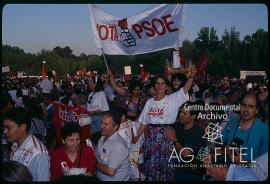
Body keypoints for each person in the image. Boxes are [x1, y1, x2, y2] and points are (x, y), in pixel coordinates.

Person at [134, 65, 197, 181]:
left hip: (166, 136)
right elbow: (144, 121)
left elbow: (185, 89)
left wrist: (192, 76)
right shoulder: (149, 102)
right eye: (157, 83)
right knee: (151, 165)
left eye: (163, 83)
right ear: (154, 86)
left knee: (165, 166)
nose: (160, 86)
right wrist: (137, 136)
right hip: (151, 138)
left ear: (167, 86)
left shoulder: (172, 99)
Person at [3, 107, 50, 181]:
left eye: (8, 128)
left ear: (22, 127)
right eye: (4, 127)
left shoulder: (38, 154)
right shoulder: (15, 142)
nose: (5, 131)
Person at [164, 101, 206, 181]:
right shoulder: (178, 125)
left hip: (192, 173)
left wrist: (174, 140)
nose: (180, 115)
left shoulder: (198, 131)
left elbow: (186, 154)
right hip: (178, 169)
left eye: (184, 113)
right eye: (180, 112)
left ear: (193, 116)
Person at [222, 93, 268, 163]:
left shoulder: (264, 129)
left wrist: (242, 162)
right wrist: (225, 148)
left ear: (257, 110)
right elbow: (220, 142)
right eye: (244, 105)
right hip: (226, 169)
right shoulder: (232, 120)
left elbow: (264, 164)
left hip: (250, 172)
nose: (246, 109)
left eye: (251, 106)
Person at [95, 112, 131, 181]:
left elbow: (110, 171)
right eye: (101, 123)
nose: (102, 126)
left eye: (106, 124)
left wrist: (94, 162)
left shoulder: (119, 145)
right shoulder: (102, 137)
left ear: (115, 127)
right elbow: (97, 155)